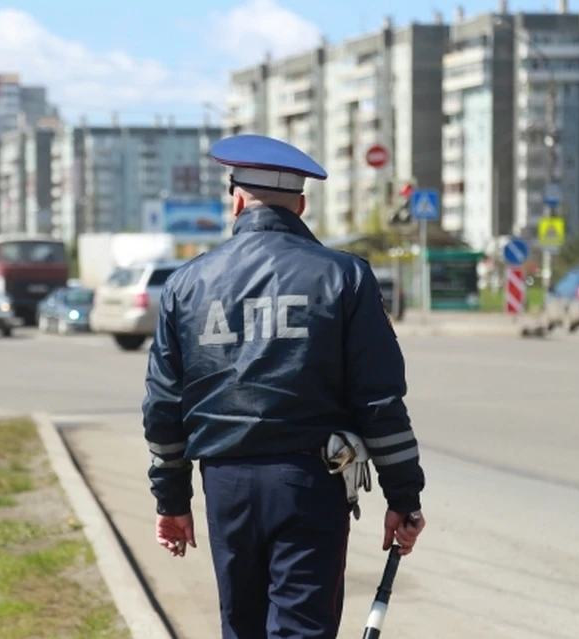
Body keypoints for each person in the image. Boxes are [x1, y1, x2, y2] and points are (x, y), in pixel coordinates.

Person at [141, 133, 426, 638]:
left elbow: (164, 405)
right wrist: (403, 496)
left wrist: (172, 500)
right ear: (300, 204)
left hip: (225, 485)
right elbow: (380, 401)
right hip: (309, 484)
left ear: (236, 200)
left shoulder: (186, 284)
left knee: (241, 629)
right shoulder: (346, 277)